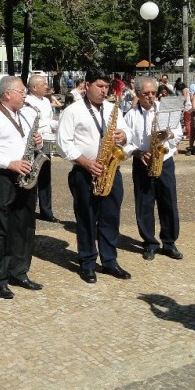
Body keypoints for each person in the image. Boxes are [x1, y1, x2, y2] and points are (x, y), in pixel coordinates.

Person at [56, 69, 132, 284]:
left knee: (110, 217)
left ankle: (110, 261)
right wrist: (86, 163)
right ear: (87, 85)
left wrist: (123, 136)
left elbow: (128, 135)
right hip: (84, 171)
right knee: (87, 219)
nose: (104, 91)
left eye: (106, 87)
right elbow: (64, 143)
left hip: (111, 170)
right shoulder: (73, 111)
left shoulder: (113, 109)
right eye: (99, 86)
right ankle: (88, 262)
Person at [0, 76, 44, 298]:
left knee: (24, 226)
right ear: (7, 94)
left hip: (25, 175)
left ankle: (19, 271)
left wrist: (37, 142)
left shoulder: (25, 114)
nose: (25, 95)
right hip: (2, 177)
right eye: (21, 91)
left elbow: (25, 141)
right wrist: (9, 163)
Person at [123, 77, 184, 262]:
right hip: (142, 161)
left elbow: (179, 133)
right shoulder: (130, 115)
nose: (151, 97)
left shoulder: (165, 110)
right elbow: (125, 141)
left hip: (164, 160)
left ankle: (169, 242)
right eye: (146, 93)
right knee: (144, 204)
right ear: (138, 94)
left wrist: (169, 134)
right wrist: (138, 153)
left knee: (168, 202)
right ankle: (149, 243)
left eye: (153, 93)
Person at [24, 74, 59, 223]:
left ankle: (46, 210)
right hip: (33, 142)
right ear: (33, 87)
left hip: (46, 141)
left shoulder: (46, 101)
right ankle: (29, 209)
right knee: (32, 176)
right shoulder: (26, 102)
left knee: (45, 176)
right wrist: (51, 124)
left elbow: (49, 119)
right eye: (43, 84)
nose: (46, 86)